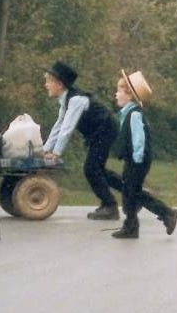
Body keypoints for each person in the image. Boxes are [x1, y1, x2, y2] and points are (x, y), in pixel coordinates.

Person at [41, 61, 120, 220]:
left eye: (49, 81)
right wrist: (45, 149)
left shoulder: (76, 100)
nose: (46, 85)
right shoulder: (66, 99)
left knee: (91, 169)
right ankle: (134, 192)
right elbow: (59, 125)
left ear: (59, 84)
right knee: (99, 170)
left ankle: (110, 206)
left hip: (105, 129)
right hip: (97, 133)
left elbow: (67, 129)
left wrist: (56, 153)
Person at [110, 69, 177, 239]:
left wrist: (137, 159)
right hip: (133, 159)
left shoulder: (134, 115)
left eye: (119, 91)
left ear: (130, 95)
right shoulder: (127, 113)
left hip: (138, 160)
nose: (115, 94)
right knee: (130, 191)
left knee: (133, 191)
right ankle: (132, 226)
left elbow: (138, 139)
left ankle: (166, 213)